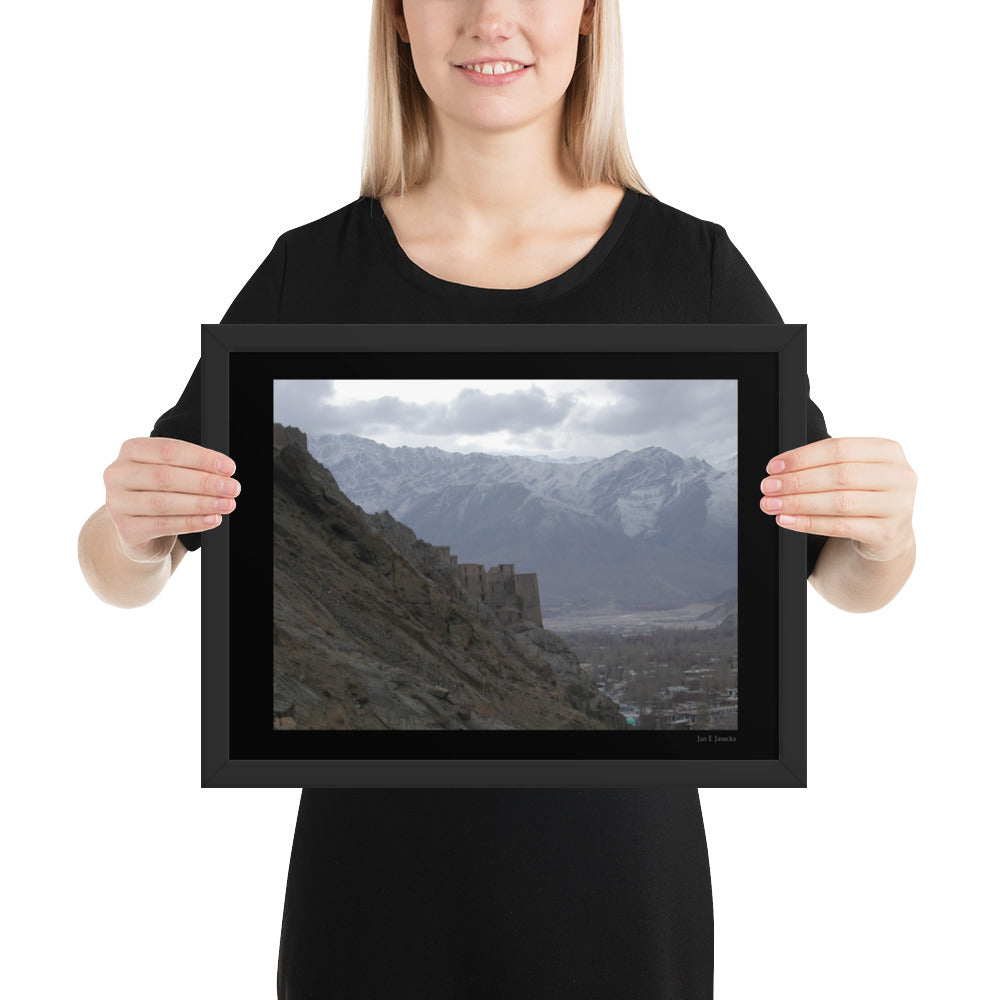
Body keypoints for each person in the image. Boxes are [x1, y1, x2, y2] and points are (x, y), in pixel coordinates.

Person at [78, 1, 917, 996]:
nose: (491, 19)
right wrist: (132, 531)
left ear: (591, 18)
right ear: (396, 19)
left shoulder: (692, 272)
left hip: (616, 878)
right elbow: (124, 567)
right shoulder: (311, 273)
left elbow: (840, 576)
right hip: (373, 880)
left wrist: (883, 532)